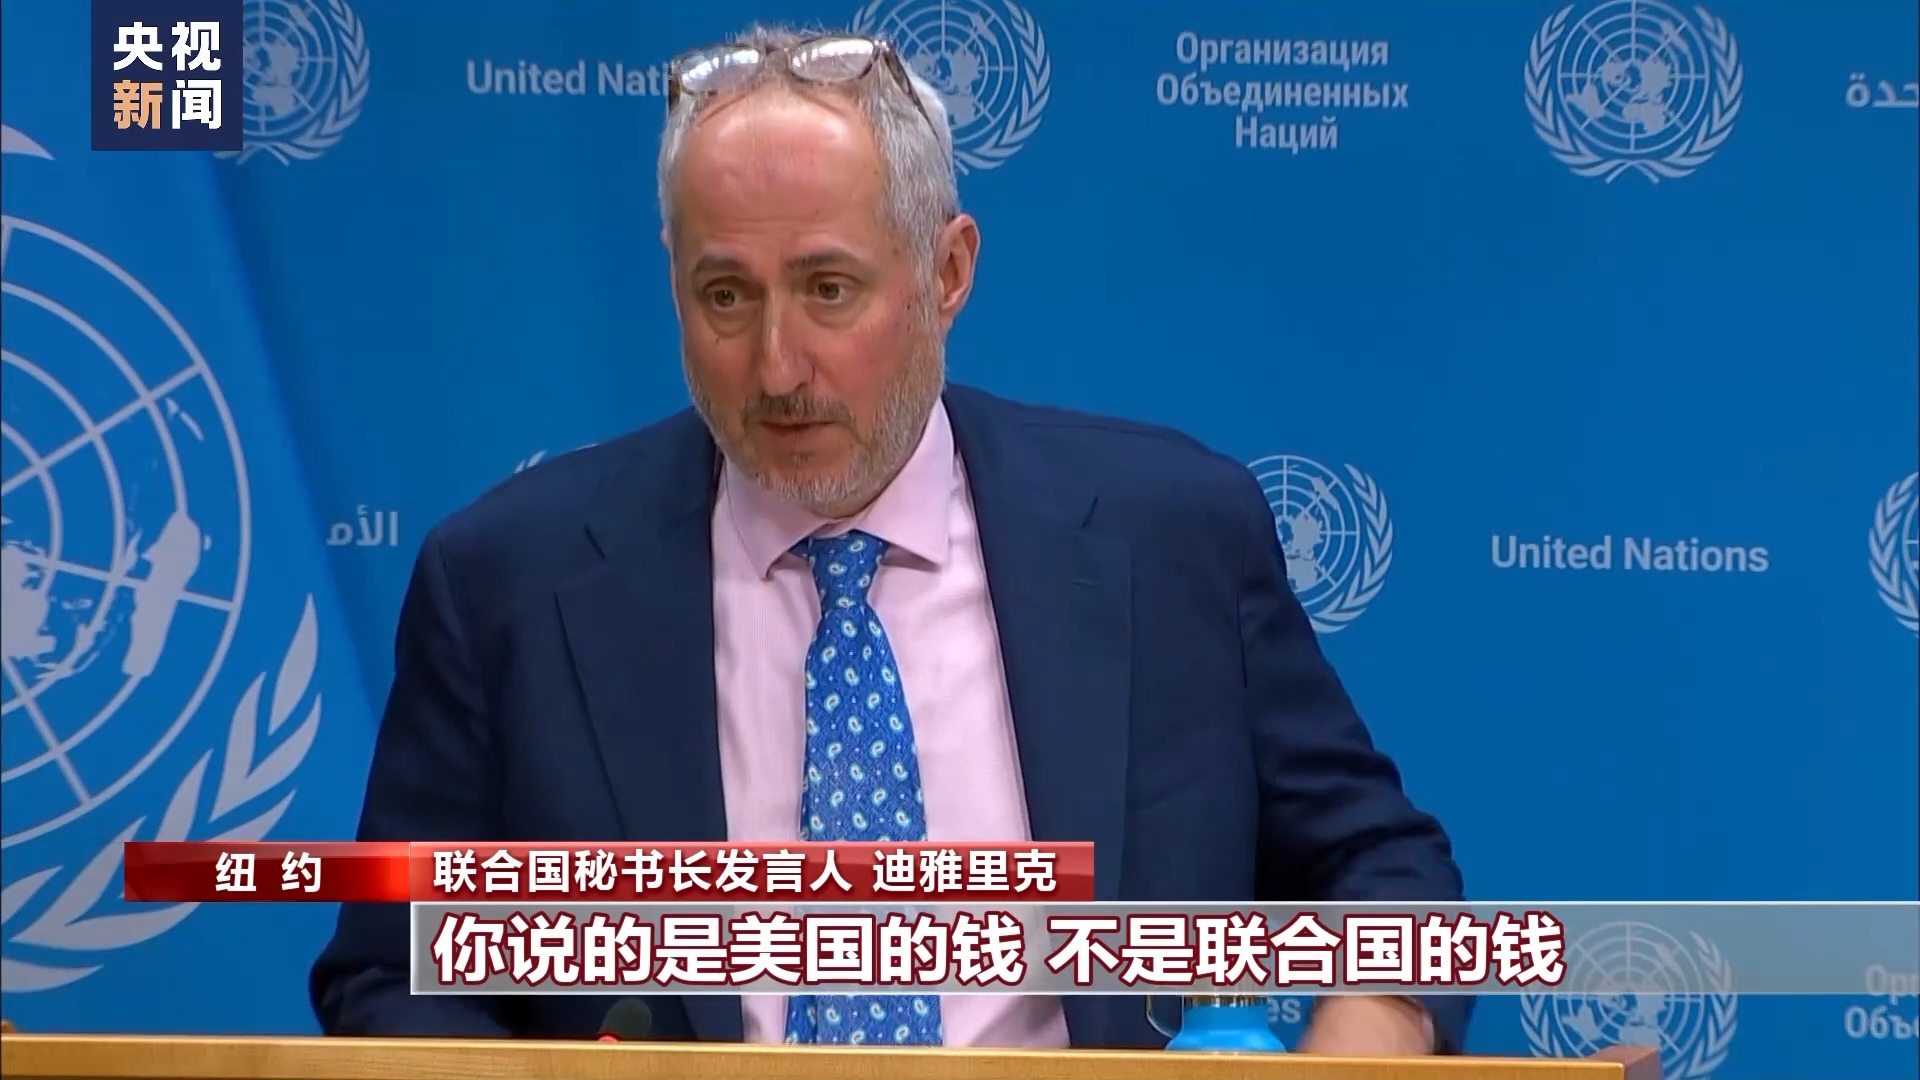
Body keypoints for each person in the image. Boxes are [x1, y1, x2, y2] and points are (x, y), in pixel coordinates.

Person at [309, 23, 1471, 1055]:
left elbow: (1391, 878)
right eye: (727, 296)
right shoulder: (509, 584)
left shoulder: (1171, 541)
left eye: (828, 289)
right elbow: (391, 974)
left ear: (946, 271)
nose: (777, 367)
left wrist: (1354, 1052)